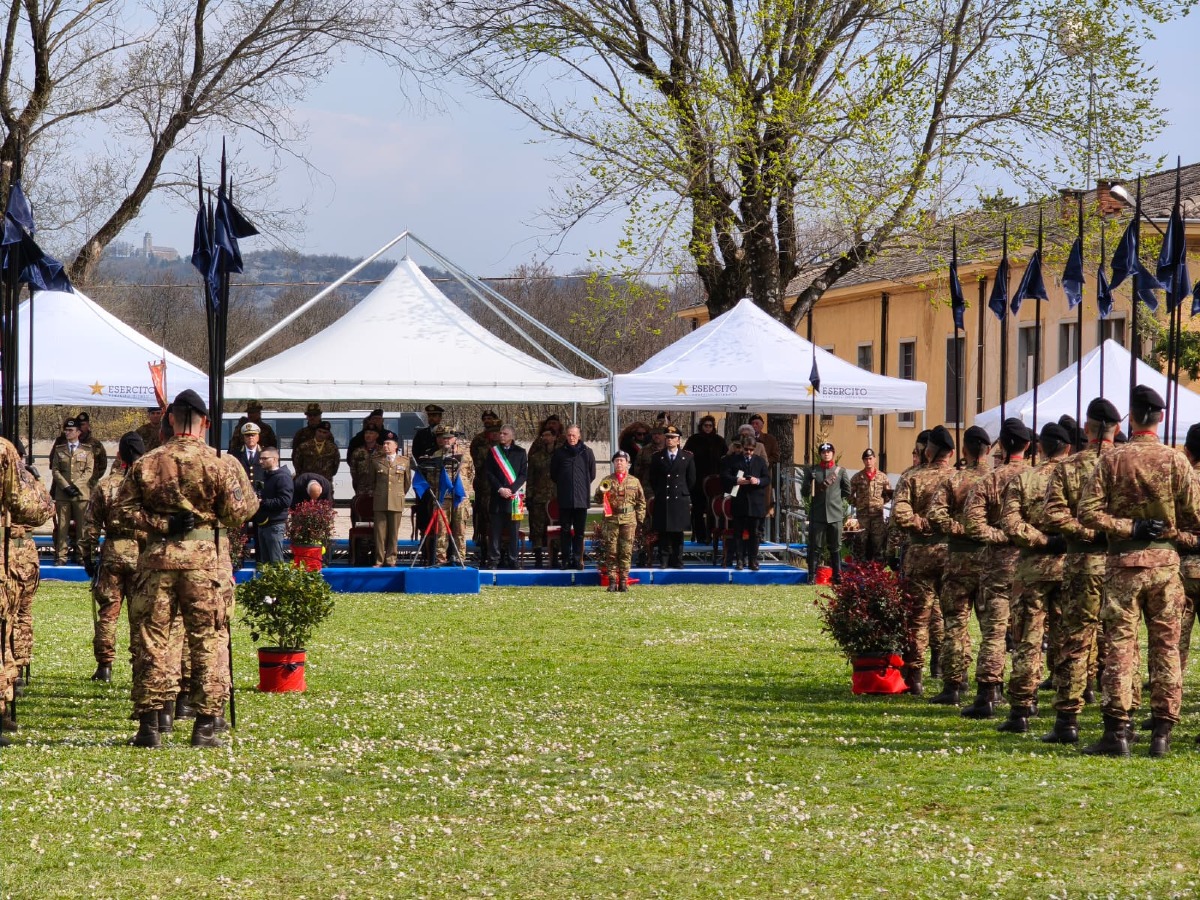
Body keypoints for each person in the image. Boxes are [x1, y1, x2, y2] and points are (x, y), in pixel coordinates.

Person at [114, 388, 259, 749]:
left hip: (157, 559)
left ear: (171, 420)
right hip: (205, 561)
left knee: (153, 640)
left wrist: (161, 524)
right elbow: (240, 513)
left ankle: (150, 726)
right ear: (205, 423)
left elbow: (122, 511)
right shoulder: (219, 463)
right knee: (209, 639)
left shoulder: (146, 462)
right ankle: (206, 726)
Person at [1078, 385, 1200, 757]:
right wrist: (1168, 531)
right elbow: (1195, 521)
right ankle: (1162, 732)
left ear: (1130, 417)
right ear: (1160, 417)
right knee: (1166, 647)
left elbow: (1088, 512)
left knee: (1120, 647)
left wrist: (1127, 528)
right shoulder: (1177, 461)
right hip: (1164, 567)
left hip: (1123, 567)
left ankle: (1118, 732)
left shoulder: (1112, 460)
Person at [1039, 397, 1119, 744]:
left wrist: (1085, 533)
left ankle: (1068, 720)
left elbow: (1053, 514)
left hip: (1083, 562)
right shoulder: (1125, 464)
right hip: (1120, 563)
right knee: (1119, 641)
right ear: (1116, 430)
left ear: (1086, 429)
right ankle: (1119, 719)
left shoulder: (1069, 468)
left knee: (1076, 640)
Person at [997, 422, 1073, 734]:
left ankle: (1021, 710)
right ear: (1067, 448)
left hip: (1032, 569)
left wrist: (1041, 540)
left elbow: (1011, 523)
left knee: (1027, 640)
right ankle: (1067, 713)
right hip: (1069, 566)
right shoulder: (1077, 478)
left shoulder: (1025, 478)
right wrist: (1062, 541)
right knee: (1069, 640)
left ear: (1039, 447)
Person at [960, 417, 1032, 720]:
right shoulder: (1038, 478)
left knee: (994, 631)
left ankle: (989, 694)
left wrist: (1000, 536)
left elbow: (972, 523)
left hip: (997, 565)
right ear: (1028, 446)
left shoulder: (989, 479)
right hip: (1029, 563)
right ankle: (1027, 698)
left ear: (1001, 445)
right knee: (1029, 634)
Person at [925, 425, 993, 704]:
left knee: (955, 624)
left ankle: (954, 684)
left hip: (959, 559)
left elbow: (934, 514)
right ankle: (991, 688)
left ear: (963, 450)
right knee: (993, 628)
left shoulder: (955, 480)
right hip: (992, 560)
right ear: (987, 450)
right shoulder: (998, 479)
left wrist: (958, 528)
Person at [890, 425, 955, 695]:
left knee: (918, 616)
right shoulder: (958, 478)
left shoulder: (912, 478)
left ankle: (915, 676)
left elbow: (900, 515)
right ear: (950, 453)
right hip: (952, 554)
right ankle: (952, 675)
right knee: (953, 616)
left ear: (928, 451)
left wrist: (922, 523)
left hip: (919, 554)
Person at [80, 432, 146, 683]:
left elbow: (91, 525)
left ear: (119, 455)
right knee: (141, 616)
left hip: (113, 552)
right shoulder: (147, 483)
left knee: (108, 613)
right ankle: (140, 666)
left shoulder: (106, 485)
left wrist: (86, 557)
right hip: (141, 552)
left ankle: (104, 666)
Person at [0, 439, 53, 740]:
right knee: (14, 620)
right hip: (15, 552)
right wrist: (35, 484)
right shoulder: (11, 462)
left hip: (15, 552)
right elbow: (34, 509)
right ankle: (11, 682)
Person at [798, 442, 852, 583]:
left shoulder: (840, 471)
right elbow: (804, 492)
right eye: (823, 452)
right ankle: (812, 576)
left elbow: (847, 490)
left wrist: (835, 501)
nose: (826, 454)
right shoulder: (813, 470)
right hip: (818, 514)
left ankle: (837, 576)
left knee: (835, 547)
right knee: (815, 547)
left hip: (835, 515)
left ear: (833, 453)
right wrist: (809, 481)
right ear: (820, 454)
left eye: (829, 452)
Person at [720, 434, 770, 570]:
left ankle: (753, 560)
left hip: (756, 502)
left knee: (755, 533)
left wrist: (757, 481)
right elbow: (724, 475)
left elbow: (767, 479)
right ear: (742, 448)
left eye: (751, 450)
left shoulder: (759, 461)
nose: (748, 452)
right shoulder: (733, 460)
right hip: (740, 500)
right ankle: (740, 560)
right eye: (746, 449)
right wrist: (736, 480)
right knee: (738, 533)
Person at [598, 450, 646, 591]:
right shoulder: (607, 480)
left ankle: (624, 581)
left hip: (629, 520)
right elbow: (597, 499)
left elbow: (641, 502)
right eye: (617, 460)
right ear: (613, 463)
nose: (619, 463)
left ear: (627, 463)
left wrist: (639, 519)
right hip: (611, 520)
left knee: (626, 551)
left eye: (622, 460)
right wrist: (601, 492)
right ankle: (612, 581)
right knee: (611, 550)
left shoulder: (634, 481)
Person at [551, 424, 596, 570]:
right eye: (569, 435)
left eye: (574, 435)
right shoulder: (559, 453)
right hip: (565, 499)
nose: (571, 438)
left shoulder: (587, 452)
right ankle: (565, 559)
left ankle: (577, 560)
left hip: (581, 500)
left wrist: (580, 486)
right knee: (565, 531)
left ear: (579, 436)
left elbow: (592, 474)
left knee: (579, 532)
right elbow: (554, 474)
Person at [650, 425, 695, 568]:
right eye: (668, 437)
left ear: (678, 440)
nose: (669, 440)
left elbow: (691, 479)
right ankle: (663, 560)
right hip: (664, 497)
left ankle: (677, 560)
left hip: (679, 499)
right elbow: (653, 479)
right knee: (663, 531)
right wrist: (659, 492)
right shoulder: (658, 457)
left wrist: (683, 492)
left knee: (678, 533)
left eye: (673, 438)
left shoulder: (687, 457)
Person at [427, 425, 473, 566]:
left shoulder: (465, 455)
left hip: (459, 498)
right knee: (441, 530)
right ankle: (441, 558)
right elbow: (430, 477)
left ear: (455, 439)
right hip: (442, 498)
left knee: (460, 529)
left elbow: (471, 475)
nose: (446, 440)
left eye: (449, 438)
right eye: (444, 438)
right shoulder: (436, 455)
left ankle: (460, 558)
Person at [51, 418, 94, 565]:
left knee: (82, 527)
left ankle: (81, 556)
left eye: (70, 430)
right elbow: (55, 470)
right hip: (63, 494)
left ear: (78, 432)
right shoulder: (60, 449)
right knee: (63, 527)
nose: (67, 433)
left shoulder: (87, 450)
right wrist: (66, 486)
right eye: (66, 430)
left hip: (81, 494)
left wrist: (75, 486)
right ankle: (61, 556)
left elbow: (89, 471)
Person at [485, 425, 528, 569]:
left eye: (505, 433)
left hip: (514, 498)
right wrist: (500, 488)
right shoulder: (493, 452)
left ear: (512, 436)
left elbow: (523, 474)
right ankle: (494, 560)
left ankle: (513, 559)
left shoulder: (520, 452)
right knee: (495, 531)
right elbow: (489, 473)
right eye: (500, 433)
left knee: (514, 531)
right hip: (498, 496)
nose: (501, 436)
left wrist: (511, 489)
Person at [684, 415, 727, 543]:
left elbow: (725, 458)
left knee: (714, 510)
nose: (708, 428)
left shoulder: (719, 440)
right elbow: (686, 456)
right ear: (701, 426)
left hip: (715, 482)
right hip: (697, 481)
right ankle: (700, 536)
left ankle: (713, 535)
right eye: (705, 425)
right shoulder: (693, 440)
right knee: (698, 509)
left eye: (710, 426)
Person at [371, 430, 410, 567]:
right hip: (380, 500)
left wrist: (398, 494)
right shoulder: (376, 461)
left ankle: (391, 559)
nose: (385, 446)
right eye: (384, 444)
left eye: (388, 443)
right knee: (379, 534)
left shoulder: (404, 461)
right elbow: (372, 481)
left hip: (396, 500)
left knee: (393, 533)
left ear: (395, 446)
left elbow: (407, 483)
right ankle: (379, 560)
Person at [848, 448, 891, 562]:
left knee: (878, 544)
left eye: (870, 459)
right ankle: (859, 570)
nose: (868, 461)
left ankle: (877, 571)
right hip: (862, 516)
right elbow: (849, 494)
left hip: (877, 516)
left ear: (875, 460)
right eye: (866, 459)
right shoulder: (857, 477)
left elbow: (888, 494)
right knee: (860, 543)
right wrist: (857, 503)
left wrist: (880, 503)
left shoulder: (882, 477)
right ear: (863, 461)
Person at [525, 425, 558, 568]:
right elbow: (530, 479)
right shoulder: (535, 457)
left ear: (555, 437)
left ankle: (555, 558)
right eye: (544, 435)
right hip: (538, 498)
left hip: (555, 499)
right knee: (537, 529)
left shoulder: (560, 455)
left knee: (555, 528)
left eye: (549, 435)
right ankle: (538, 558)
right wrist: (529, 497)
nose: (546, 438)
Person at [469, 412, 502, 554]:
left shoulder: (504, 442)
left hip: (501, 487)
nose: (488, 421)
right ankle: (484, 549)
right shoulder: (478, 440)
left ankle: (502, 550)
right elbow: (475, 462)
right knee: (483, 519)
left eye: (491, 419)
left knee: (500, 519)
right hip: (484, 486)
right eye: (486, 419)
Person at [255, 447, 293, 565]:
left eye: (265, 458)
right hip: (264, 523)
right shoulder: (266, 475)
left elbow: (285, 501)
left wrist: (262, 502)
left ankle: (279, 584)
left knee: (276, 563)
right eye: (260, 458)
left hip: (275, 524)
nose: (261, 461)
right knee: (265, 564)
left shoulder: (282, 477)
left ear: (275, 459)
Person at [349, 424, 381, 496]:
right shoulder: (358, 451)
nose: (368, 435)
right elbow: (353, 470)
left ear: (377, 435)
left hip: (378, 489)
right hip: (362, 489)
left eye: (371, 433)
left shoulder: (382, 452)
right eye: (366, 433)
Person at [233, 422, 265, 488]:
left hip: (260, 491)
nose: (250, 437)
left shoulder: (265, 453)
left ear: (258, 437)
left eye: (253, 435)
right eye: (247, 435)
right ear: (244, 438)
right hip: (242, 490)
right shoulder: (235, 453)